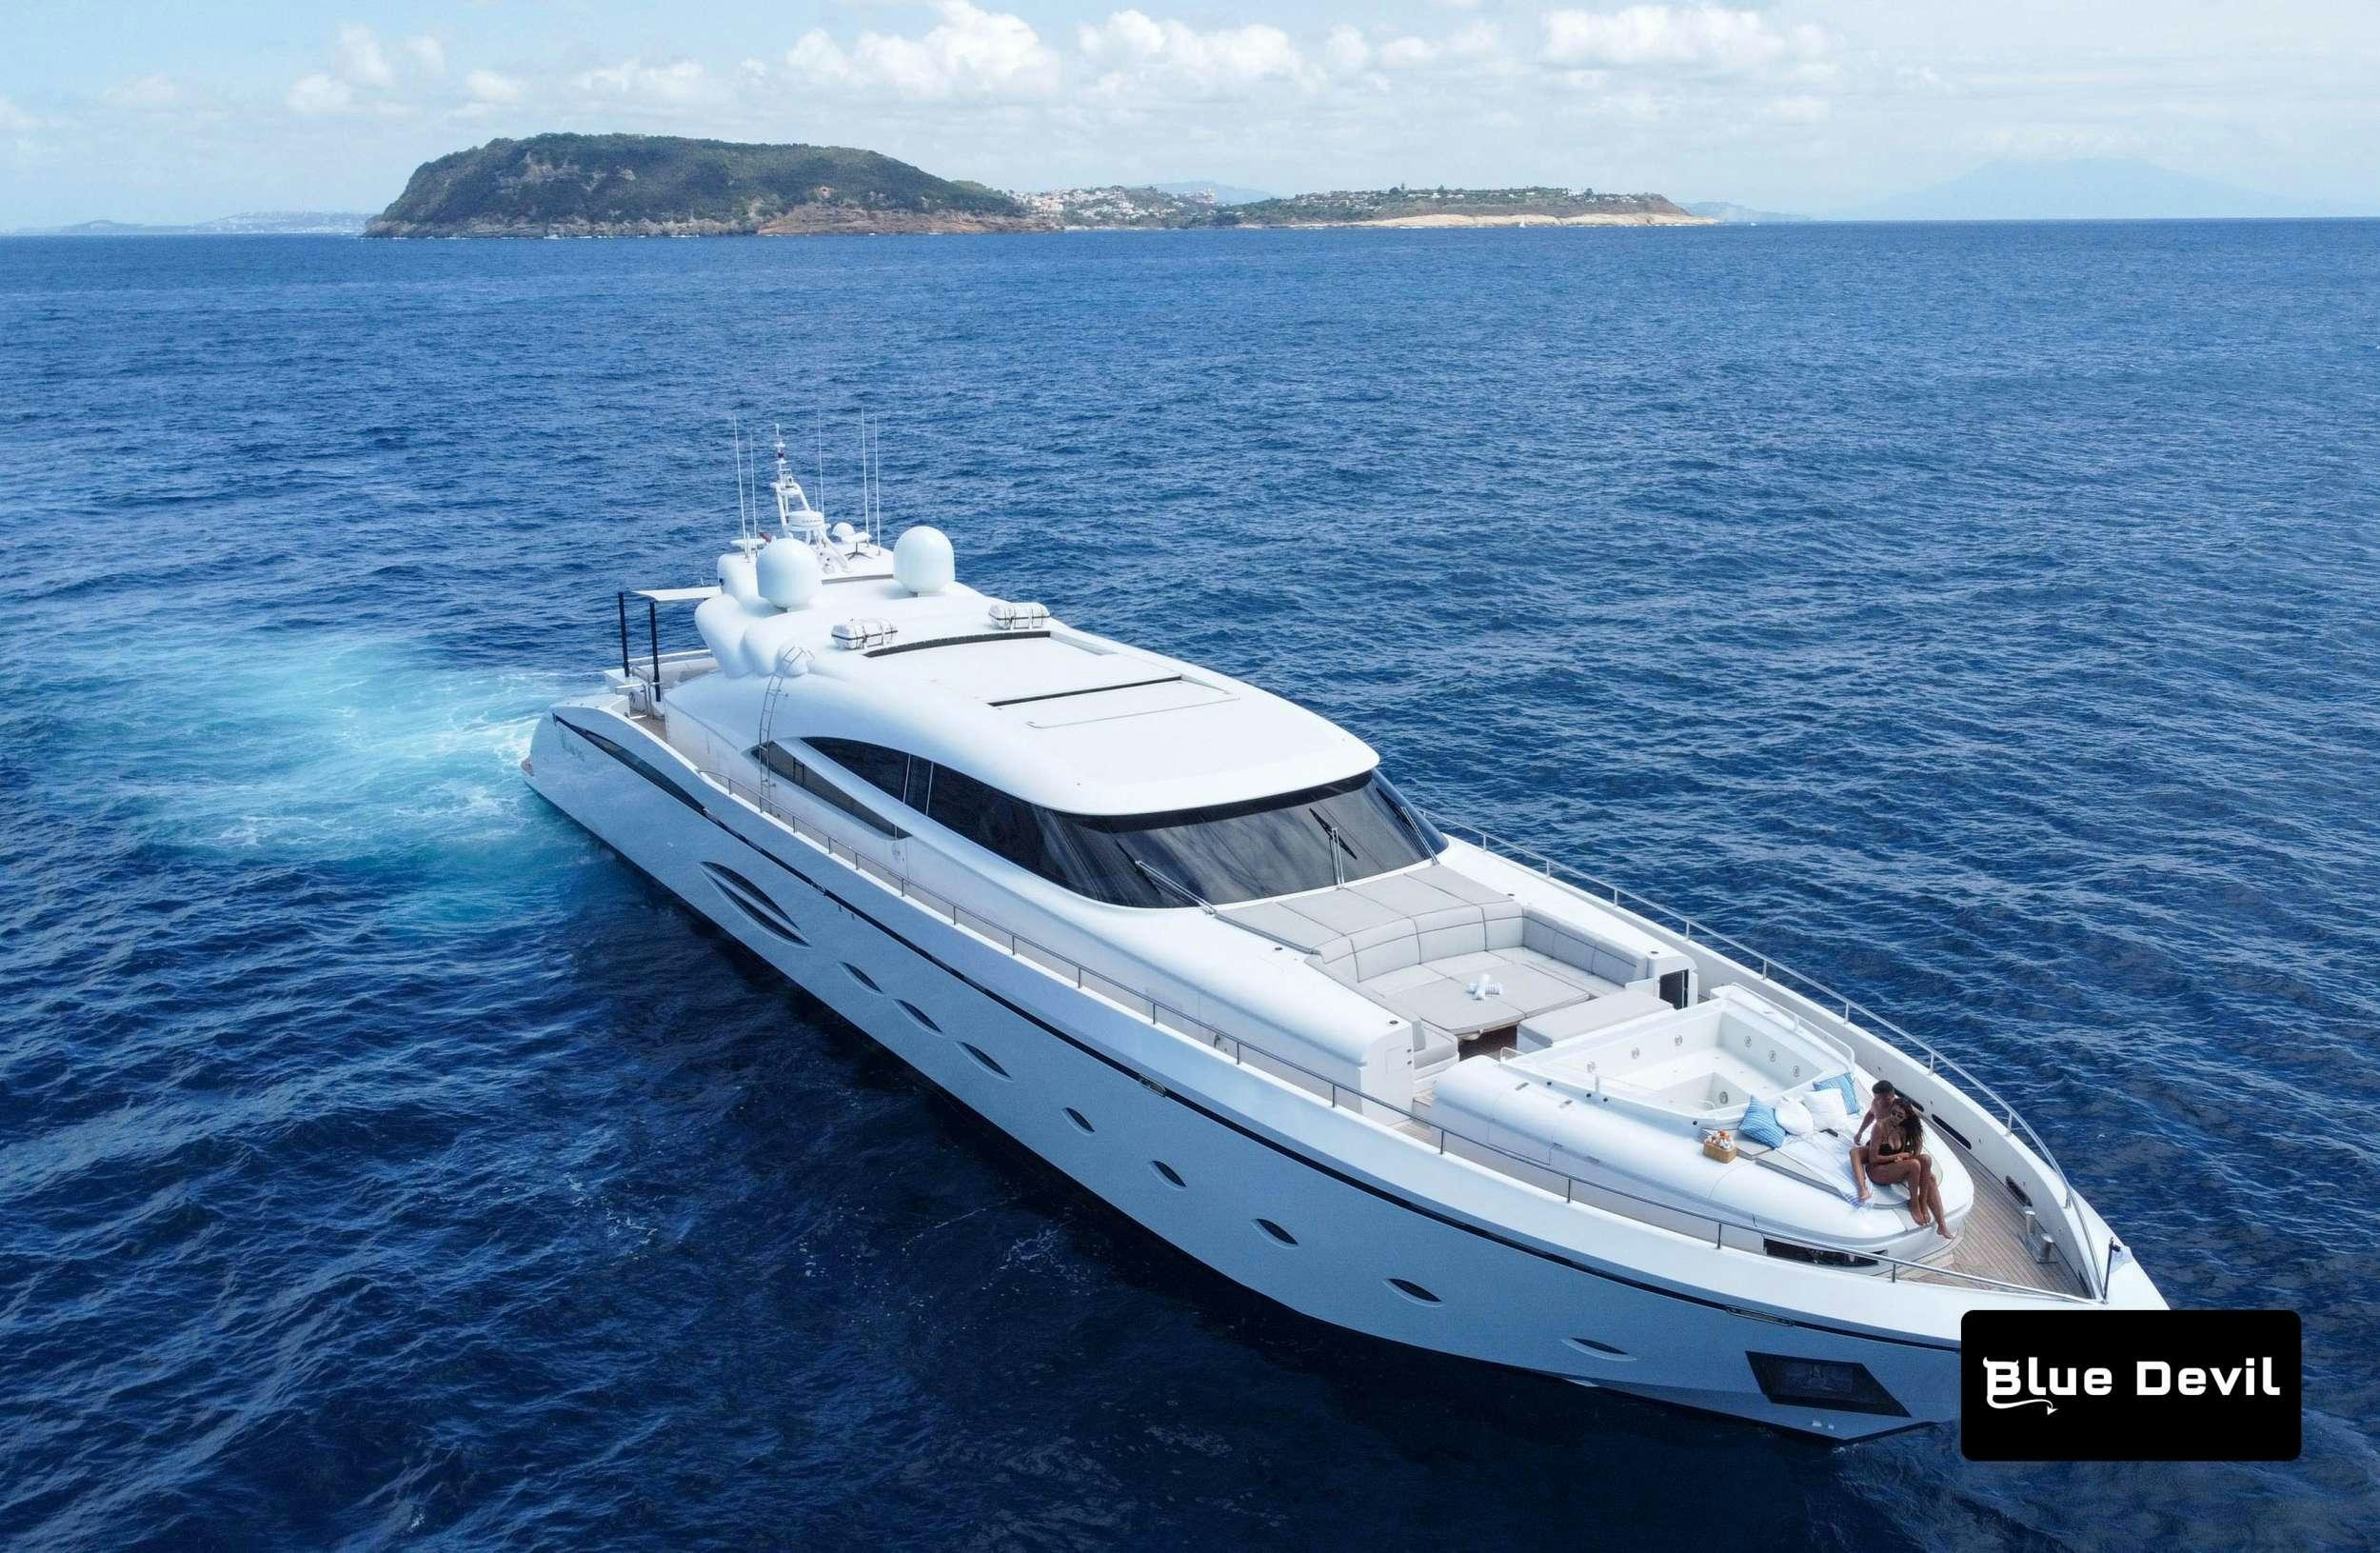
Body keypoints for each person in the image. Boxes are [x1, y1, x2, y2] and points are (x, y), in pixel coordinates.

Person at [1861, 1097, 1954, 1240]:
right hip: (1877, 1170)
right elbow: (1873, 1159)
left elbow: (1913, 1148)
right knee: (1915, 1164)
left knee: (1926, 1162)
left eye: (1900, 1116)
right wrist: (1897, 1157)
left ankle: (1941, 1224)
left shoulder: (1903, 1129)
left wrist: (1902, 1157)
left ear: (1905, 1117)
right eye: (1893, 1113)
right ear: (1890, 1111)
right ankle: (1914, 1204)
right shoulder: (1879, 1127)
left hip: (1892, 1167)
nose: (1895, 1118)